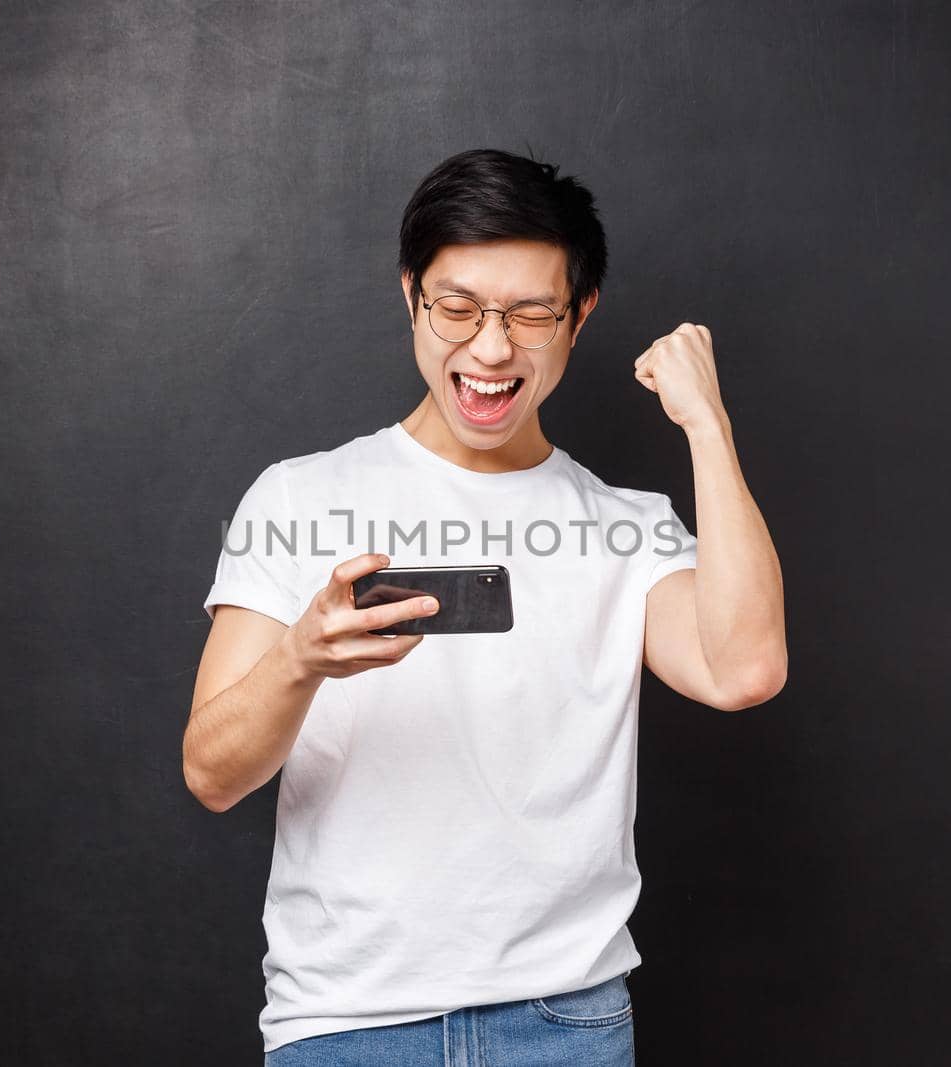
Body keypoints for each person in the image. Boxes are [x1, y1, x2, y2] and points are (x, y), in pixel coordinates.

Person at [185, 148, 787, 1065]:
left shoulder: (626, 527)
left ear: (579, 316)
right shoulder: (299, 497)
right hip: (346, 1023)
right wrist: (300, 657)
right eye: (457, 308)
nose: (492, 348)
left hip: (565, 1022)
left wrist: (708, 424)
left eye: (530, 313)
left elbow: (744, 670)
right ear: (411, 298)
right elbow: (212, 773)